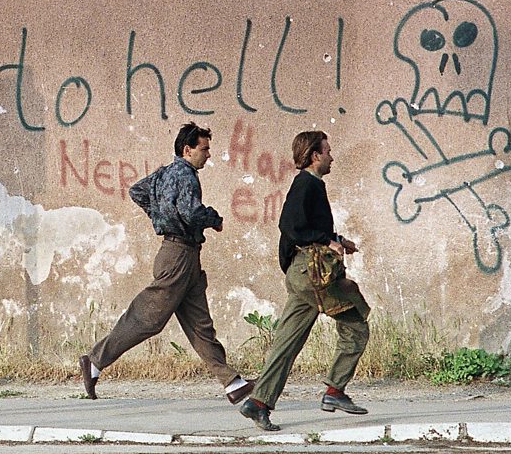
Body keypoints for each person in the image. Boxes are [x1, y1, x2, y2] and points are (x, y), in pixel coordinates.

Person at [79, 122, 253, 405]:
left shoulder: (165, 173)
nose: (208, 154)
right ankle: (95, 360)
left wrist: (160, 215)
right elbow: (190, 212)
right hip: (178, 256)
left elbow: (138, 191)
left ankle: (233, 384)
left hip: (185, 254)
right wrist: (213, 219)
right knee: (147, 317)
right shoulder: (186, 175)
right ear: (188, 149)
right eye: (204, 149)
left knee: (199, 324)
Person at [239, 131, 371, 432]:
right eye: (327, 151)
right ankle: (335, 391)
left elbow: (307, 227)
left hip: (303, 277)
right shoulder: (306, 183)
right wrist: (326, 241)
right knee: (356, 323)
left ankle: (258, 403)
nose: (331, 157)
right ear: (315, 155)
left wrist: (338, 240)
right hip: (311, 274)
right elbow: (290, 225)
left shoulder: (311, 184)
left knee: (287, 342)